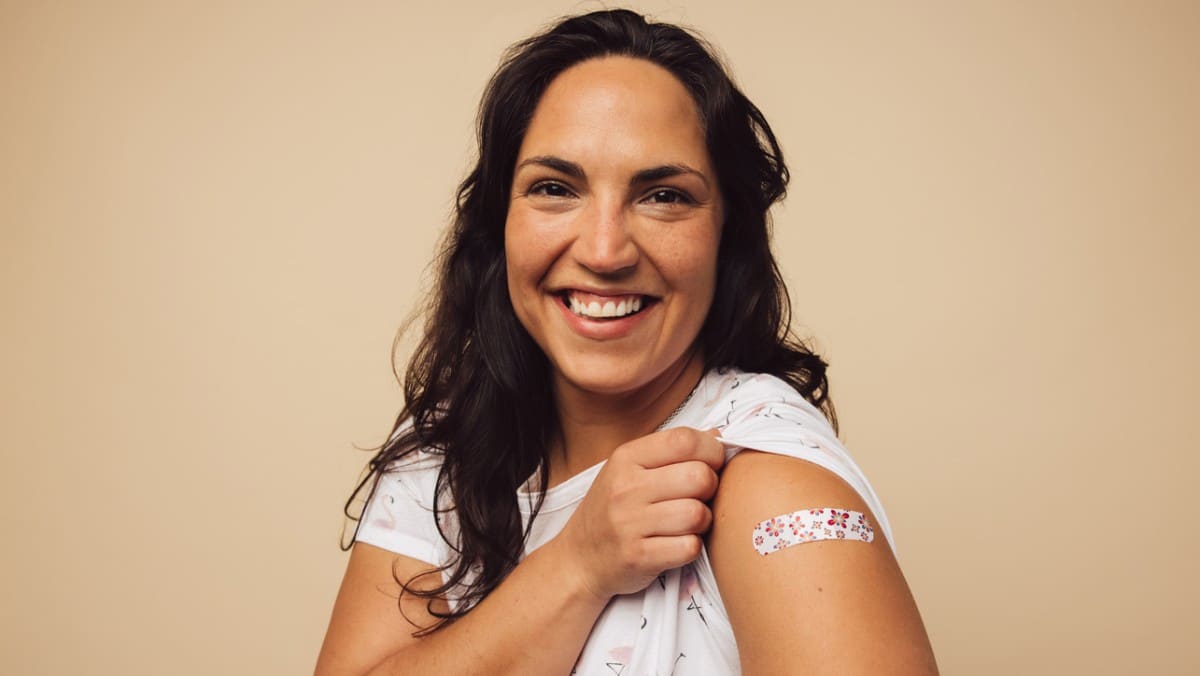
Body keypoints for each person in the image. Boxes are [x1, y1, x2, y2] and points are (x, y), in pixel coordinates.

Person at [316, 9, 937, 675]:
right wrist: (578, 565)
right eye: (555, 189)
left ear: (728, 235)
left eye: (664, 195)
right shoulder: (445, 448)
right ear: (499, 222)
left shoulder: (773, 487)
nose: (605, 250)